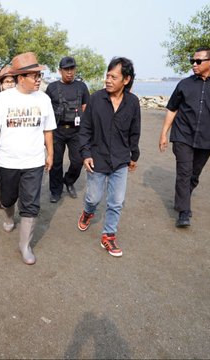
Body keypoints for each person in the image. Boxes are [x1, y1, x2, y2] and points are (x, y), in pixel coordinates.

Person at [0, 52, 56, 265]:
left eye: (39, 74)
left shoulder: (44, 99)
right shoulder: (3, 98)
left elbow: (48, 130)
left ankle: (24, 245)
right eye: (34, 75)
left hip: (34, 161)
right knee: (8, 199)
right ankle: (8, 216)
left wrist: (50, 153)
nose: (38, 78)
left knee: (31, 204)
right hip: (8, 161)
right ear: (20, 77)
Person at [159, 46, 210, 228]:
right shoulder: (184, 84)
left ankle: (183, 198)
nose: (194, 64)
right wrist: (164, 134)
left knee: (194, 174)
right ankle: (184, 212)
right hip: (182, 135)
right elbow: (172, 109)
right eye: (192, 61)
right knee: (184, 172)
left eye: (198, 61)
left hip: (207, 138)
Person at [77, 57, 140, 258]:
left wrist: (134, 155)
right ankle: (88, 212)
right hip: (97, 158)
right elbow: (85, 129)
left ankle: (108, 236)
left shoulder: (132, 102)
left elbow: (134, 131)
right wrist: (85, 153)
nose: (108, 80)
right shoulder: (96, 99)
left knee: (116, 201)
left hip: (120, 160)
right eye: (107, 76)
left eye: (113, 77)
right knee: (94, 197)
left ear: (126, 79)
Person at [46, 56, 90, 203]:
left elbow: (86, 108)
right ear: (60, 71)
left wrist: (88, 130)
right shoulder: (51, 88)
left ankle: (69, 181)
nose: (70, 72)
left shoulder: (82, 87)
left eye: (72, 69)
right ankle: (55, 191)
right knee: (56, 162)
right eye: (66, 69)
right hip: (57, 131)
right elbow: (46, 110)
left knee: (78, 161)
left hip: (76, 132)